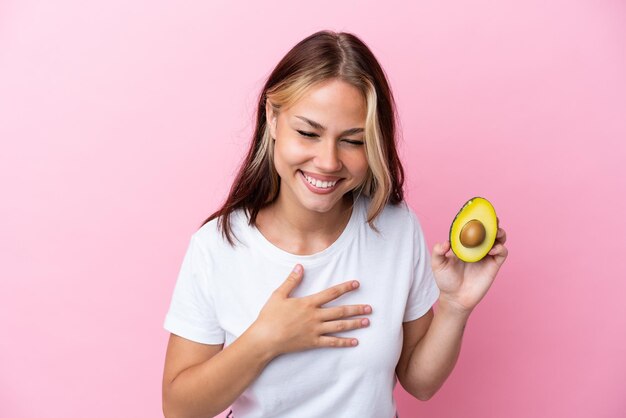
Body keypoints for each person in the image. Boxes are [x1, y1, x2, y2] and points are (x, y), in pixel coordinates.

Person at [162, 30, 508, 418]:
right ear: (272, 118)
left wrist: (455, 306)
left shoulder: (395, 228)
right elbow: (180, 410)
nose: (328, 161)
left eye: (354, 141)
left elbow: (420, 382)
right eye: (308, 133)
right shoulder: (217, 247)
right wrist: (265, 339)